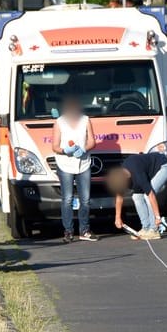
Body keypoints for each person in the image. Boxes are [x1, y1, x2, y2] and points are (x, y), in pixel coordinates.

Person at [52, 97, 98, 243]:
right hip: (65, 164)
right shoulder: (59, 122)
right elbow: (54, 146)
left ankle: (84, 230)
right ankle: (68, 231)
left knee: (85, 199)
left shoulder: (85, 120)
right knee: (67, 199)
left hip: (83, 164)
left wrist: (84, 148)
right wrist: (65, 150)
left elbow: (92, 141)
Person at [107, 152, 167, 240]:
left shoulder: (138, 175)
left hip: (163, 166)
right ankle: (146, 228)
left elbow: (151, 195)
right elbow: (119, 197)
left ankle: (154, 230)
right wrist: (117, 218)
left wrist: (157, 217)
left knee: (146, 196)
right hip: (148, 170)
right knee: (136, 197)